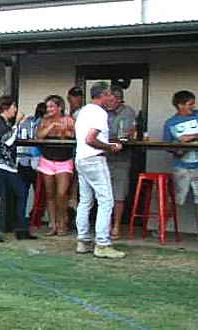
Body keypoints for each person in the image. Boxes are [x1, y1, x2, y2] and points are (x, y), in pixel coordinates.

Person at [73, 82, 125, 258]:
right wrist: (110, 147)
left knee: (85, 201)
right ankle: (102, 244)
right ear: (102, 95)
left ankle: (82, 240)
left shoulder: (83, 111)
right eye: (110, 94)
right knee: (106, 201)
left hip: (80, 158)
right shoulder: (99, 113)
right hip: (94, 159)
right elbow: (91, 138)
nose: (112, 98)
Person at [163, 90, 198, 244]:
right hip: (181, 165)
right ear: (180, 105)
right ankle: (161, 228)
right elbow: (167, 145)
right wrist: (178, 148)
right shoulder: (170, 122)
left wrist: (193, 137)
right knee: (173, 198)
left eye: (193, 103)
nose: (193, 106)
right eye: (190, 104)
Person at [0, 96, 37, 242]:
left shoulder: (5, 122)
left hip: (8, 165)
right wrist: (18, 124)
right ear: (6, 107)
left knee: (22, 191)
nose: (15, 110)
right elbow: (8, 140)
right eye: (14, 107)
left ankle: (21, 229)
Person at [36, 95, 76, 236]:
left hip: (64, 160)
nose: (49, 109)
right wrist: (51, 126)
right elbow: (39, 136)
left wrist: (65, 132)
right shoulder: (44, 121)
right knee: (50, 194)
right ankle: (52, 224)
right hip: (47, 159)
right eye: (47, 106)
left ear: (60, 107)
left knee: (62, 193)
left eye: (52, 106)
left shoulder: (68, 120)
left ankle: (62, 221)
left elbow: (76, 135)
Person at [105, 87, 138, 240]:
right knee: (102, 194)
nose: (107, 103)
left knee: (118, 195)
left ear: (119, 100)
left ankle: (116, 226)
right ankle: (103, 225)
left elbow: (125, 134)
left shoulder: (128, 112)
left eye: (111, 100)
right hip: (103, 156)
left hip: (121, 158)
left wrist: (109, 138)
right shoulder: (101, 111)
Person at [16, 102, 45, 224]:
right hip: (38, 162)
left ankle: (21, 218)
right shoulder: (42, 123)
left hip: (24, 160)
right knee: (39, 194)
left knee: (22, 192)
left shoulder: (27, 121)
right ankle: (35, 218)